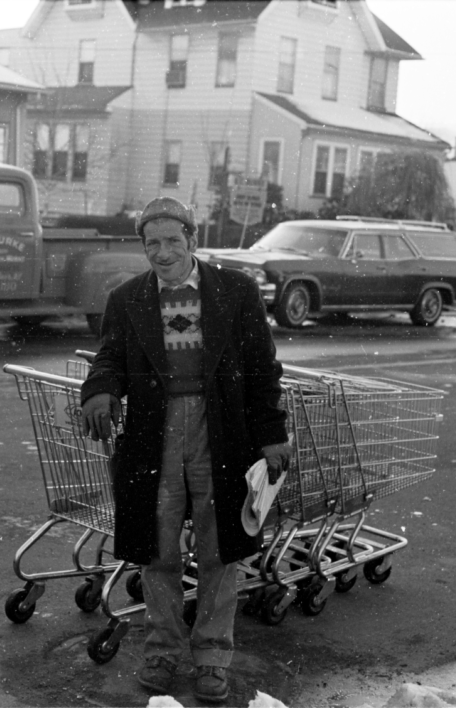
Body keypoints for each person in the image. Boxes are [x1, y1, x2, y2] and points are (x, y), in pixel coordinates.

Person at [80, 196, 291, 703]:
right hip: (155, 432)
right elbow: (109, 355)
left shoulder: (235, 292)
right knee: (158, 548)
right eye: (152, 243)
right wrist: (100, 387)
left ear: (193, 240)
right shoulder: (127, 299)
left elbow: (263, 369)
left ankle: (214, 657)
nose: (163, 252)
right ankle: (162, 650)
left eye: (173, 240)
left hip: (221, 430)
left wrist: (271, 433)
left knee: (221, 548)